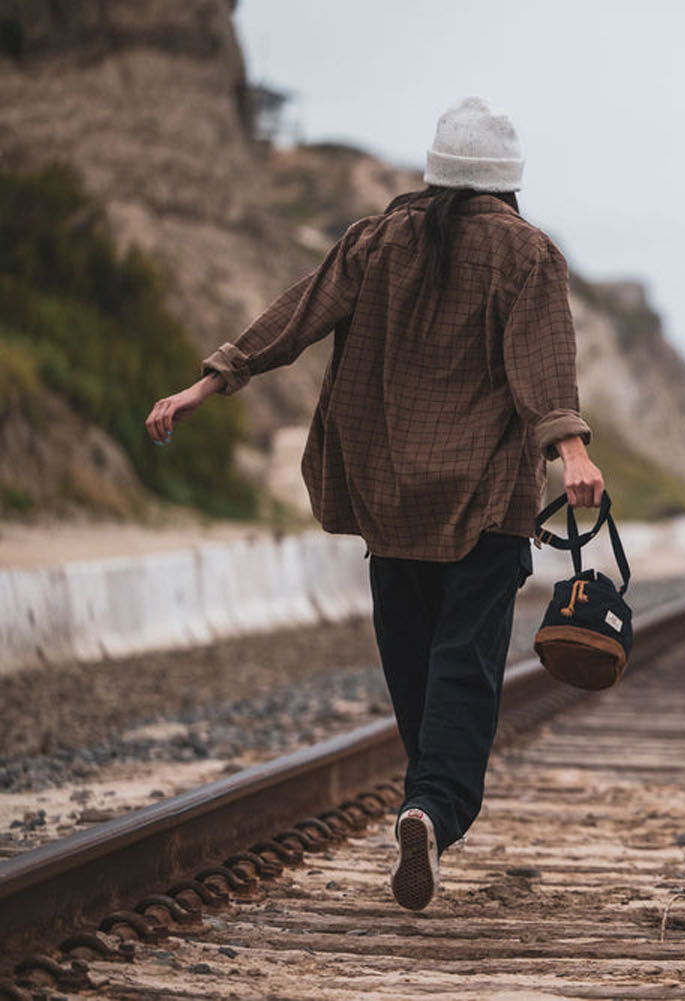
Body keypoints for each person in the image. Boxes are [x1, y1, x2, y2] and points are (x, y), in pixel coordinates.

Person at [144, 97, 604, 911]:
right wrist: (570, 451)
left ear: (434, 171)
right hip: (484, 505)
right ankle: (431, 807)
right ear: (509, 181)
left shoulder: (376, 240)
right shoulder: (528, 255)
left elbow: (294, 316)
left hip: (390, 498)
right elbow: (542, 367)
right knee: (464, 671)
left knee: (415, 671)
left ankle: (426, 797)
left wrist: (205, 382)